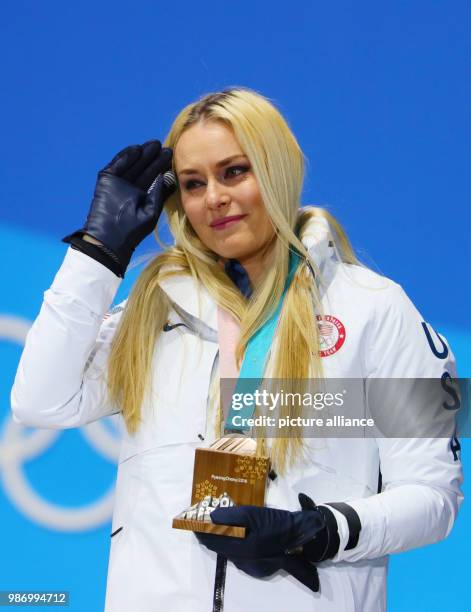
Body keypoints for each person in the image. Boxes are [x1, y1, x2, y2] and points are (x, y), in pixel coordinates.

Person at [11, 88, 463, 612]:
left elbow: (434, 497)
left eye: (234, 172)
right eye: (193, 184)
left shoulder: (375, 308)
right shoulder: (158, 308)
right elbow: (39, 401)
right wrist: (98, 254)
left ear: (276, 170)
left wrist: (316, 530)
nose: (214, 199)